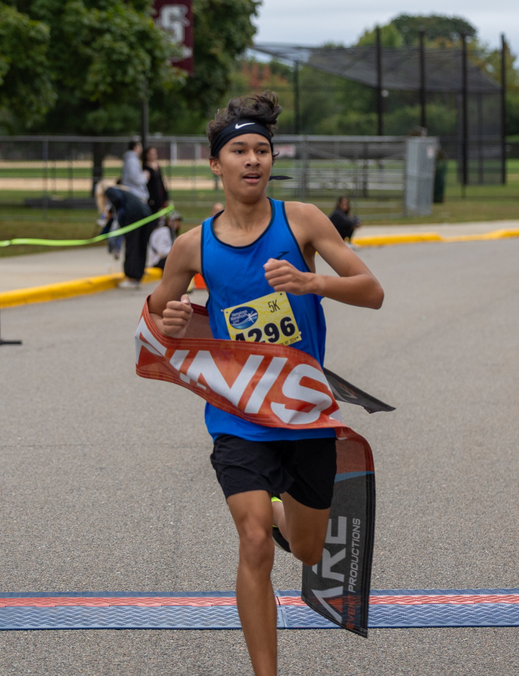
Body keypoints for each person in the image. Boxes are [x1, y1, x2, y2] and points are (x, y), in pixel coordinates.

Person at [146, 91, 384, 676]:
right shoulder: (192, 245)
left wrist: (312, 282)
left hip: (303, 412)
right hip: (238, 412)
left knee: (304, 548)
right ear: (215, 164)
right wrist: (168, 316)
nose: (252, 160)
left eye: (261, 149)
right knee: (251, 541)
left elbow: (372, 290)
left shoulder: (300, 221)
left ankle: (285, 515)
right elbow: (155, 314)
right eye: (238, 150)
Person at [96, 181, 149, 287]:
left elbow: (116, 200)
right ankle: (137, 276)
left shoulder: (110, 191)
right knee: (140, 247)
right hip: (146, 215)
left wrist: (110, 212)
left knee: (132, 247)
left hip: (134, 218)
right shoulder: (123, 192)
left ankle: (132, 277)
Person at [144, 145, 169, 221]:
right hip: (151, 198)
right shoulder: (145, 168)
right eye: (151, 154)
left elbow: (161, 182)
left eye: (154, 154)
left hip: (159, 196)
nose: (153, 156)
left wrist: (166, 196)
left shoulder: (158, 166)